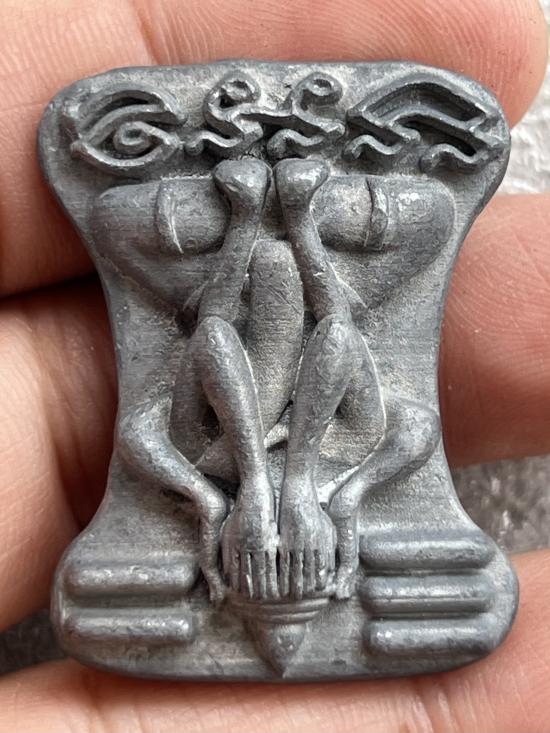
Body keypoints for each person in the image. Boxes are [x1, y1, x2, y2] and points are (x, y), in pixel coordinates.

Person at [0, 0, 548, 730]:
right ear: (329, 546)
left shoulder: (192, 455)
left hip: (228, 283)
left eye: (258, 551)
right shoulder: (360, 454)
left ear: (226, 548)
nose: (279, 536)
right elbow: (341, 332)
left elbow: (208, 337)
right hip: (310, 279)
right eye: (296, 550)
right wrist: (301, 223)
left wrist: (222, 493)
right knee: (364, 265)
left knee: (213, 293)